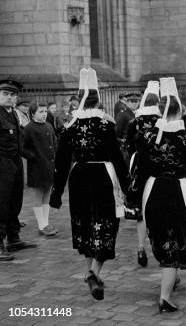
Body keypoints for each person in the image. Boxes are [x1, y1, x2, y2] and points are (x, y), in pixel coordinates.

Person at [50, 68, 128, 301]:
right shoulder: (106, 125)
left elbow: (61, 161)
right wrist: (127, 186)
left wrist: (56, 192)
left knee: (85, 223)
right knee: (105, 223)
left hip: (79, 176)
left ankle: (89, 271)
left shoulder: (70, 127)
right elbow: (117, 157)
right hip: (103, 174)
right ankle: (94, 271)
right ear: (99, 99)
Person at [130, 77, 186, 313]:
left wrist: (135, 198)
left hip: (153, 190)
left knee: (164, 238)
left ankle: (170, 284)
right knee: (175, 240)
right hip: (178, 191)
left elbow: (141, 171)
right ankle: (165, 296)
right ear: (180, 110)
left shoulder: (148, 137)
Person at [0, 79, 37, 261]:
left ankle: (13, 238)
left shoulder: (13, 113)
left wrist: (33, 156)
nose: (9, 98)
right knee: (1, 203)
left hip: (14, 163)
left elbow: (18, 141)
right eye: (5, 94)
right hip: (2, 164)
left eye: (12, 95)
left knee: (15, 201)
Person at [125, 81, 161, 268]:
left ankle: (140, 247)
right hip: (158, 168)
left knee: (140, 211)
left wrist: (137, 156)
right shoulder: (162, 121)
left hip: (140, 168)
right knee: (158, 210)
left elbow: (128, 145)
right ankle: (159, 249)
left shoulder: (135, 121)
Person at [22, 102, 58, 237]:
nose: (44, 114)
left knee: (47, 193)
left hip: (50, 166)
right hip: (37, 167)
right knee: (39, 194)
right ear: (32, 114)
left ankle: (46, 223)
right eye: (40, 112)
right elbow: (22, 147)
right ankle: (41, 225)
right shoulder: (28, 128)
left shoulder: (48, 125)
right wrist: (33, 156)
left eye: (45, 112)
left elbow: (54, 143)